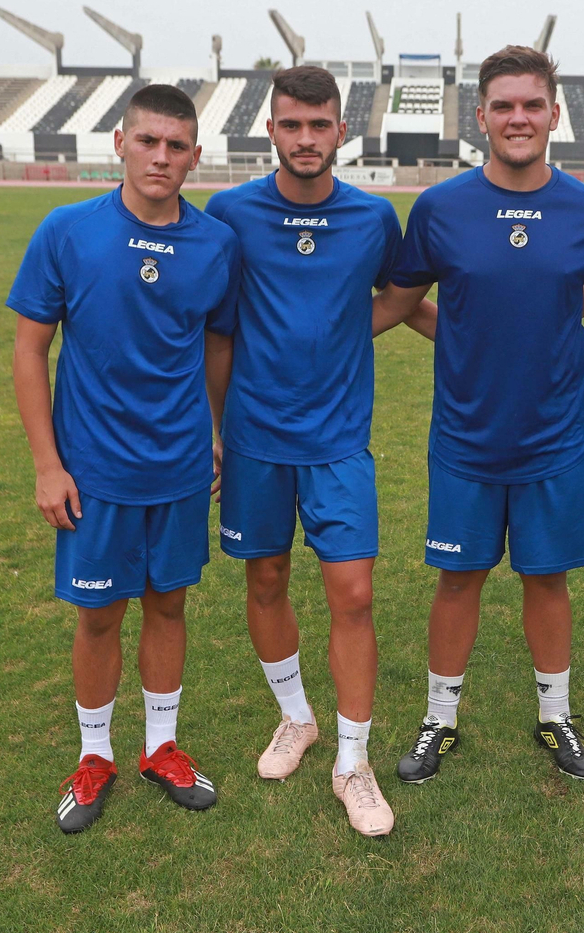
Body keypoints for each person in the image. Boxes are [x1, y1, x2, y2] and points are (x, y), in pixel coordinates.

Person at [372, 45, 584, 782]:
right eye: (503, 106)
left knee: (547, 579)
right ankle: (439, 719)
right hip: (465, 436)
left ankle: (556, 716)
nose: (518, 118)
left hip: (555, 436)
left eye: (531, 105)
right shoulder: (441, 208)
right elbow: (398, 302)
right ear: (482, 116)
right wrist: (301, 339)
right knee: (458, 580)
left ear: (553, 114)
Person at [203, 66, 434, 837]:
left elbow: (399, 299)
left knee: (354, 596)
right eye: (292, 125)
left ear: (342, 131)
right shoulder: (231, 212)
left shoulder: (373, 218)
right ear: (271, 129)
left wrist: (483, 336)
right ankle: (297, 718)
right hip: (255, 440)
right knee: (265, 579)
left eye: (320, 125)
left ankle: (353, 762)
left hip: (337, 442)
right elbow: (218, 329)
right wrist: (213, 430)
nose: (306, 139)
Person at [8, 84, 240, 833]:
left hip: (177, 468)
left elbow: (215, 343)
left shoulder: (214, 244)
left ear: (196, 156)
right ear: (120, 141)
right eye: (149, 142)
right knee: (100, 614)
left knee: (169, 604)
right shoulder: (68, 230)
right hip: (95, 471)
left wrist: (214, 430)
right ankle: (96, 755)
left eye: (177, 146)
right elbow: (29, 348)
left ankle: (161, 746)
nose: (162, 157)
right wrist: (48, 464)